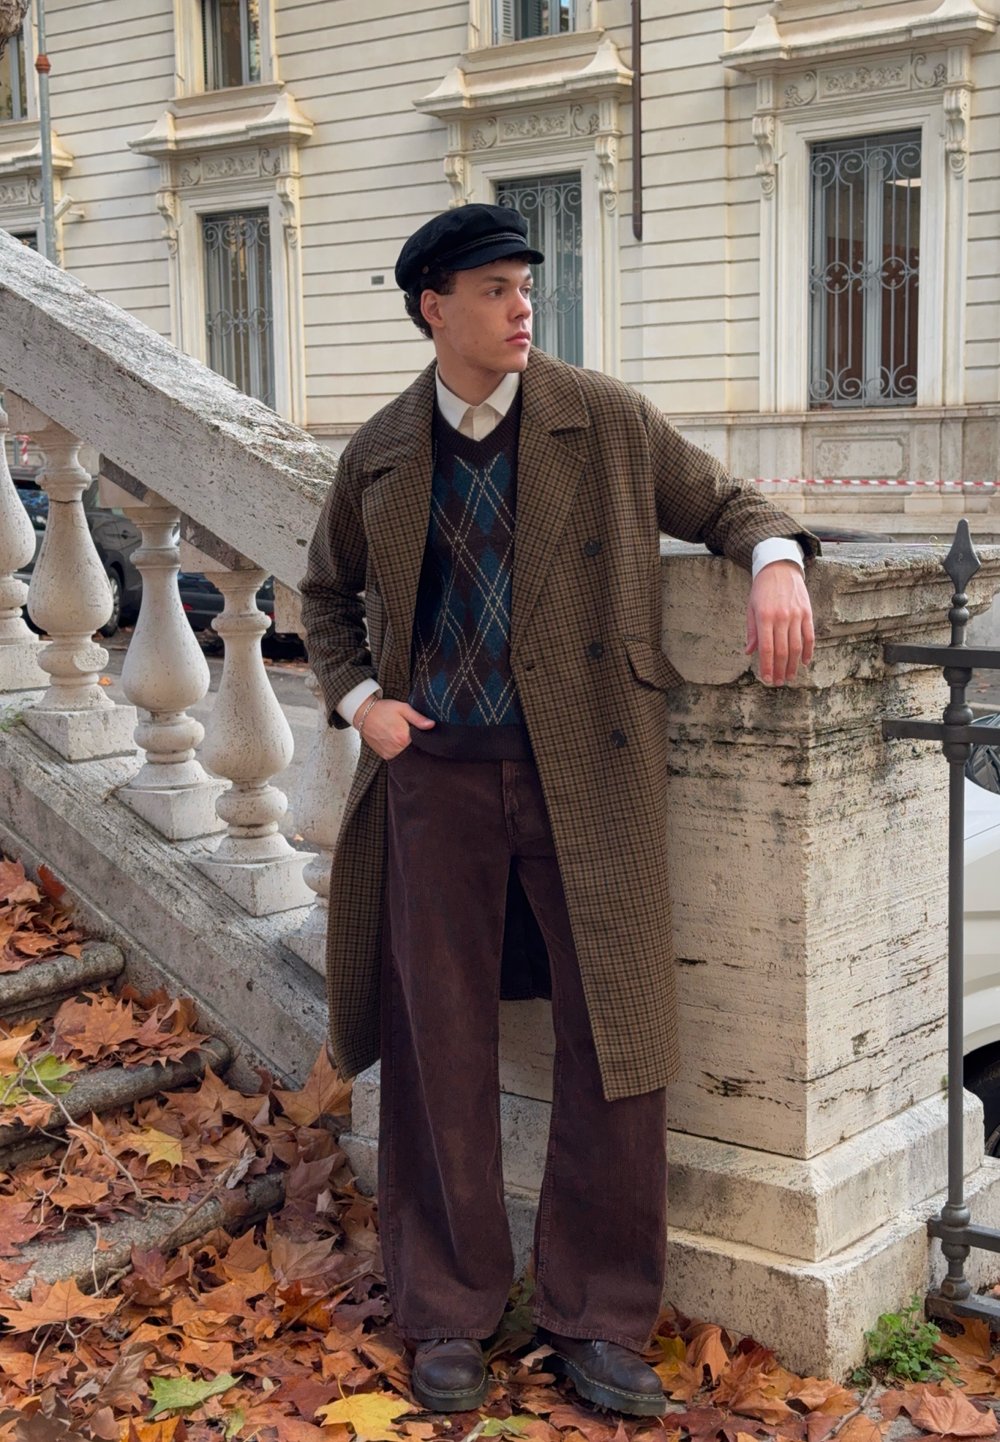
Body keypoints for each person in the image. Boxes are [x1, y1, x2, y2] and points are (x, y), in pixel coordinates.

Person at [300, 204, 819, 1418]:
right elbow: (322, 601)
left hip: (588, 773)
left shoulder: (608, 421)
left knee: (618, 1041)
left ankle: (598, 1318)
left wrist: (778, 562)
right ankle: (446, 1311)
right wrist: (364, 700)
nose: (522, 307)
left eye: (526, 286)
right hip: (433, 782)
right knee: (439, 1049)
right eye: (493, 289)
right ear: (433, 305)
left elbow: (731, 504)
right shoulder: (378, 451)